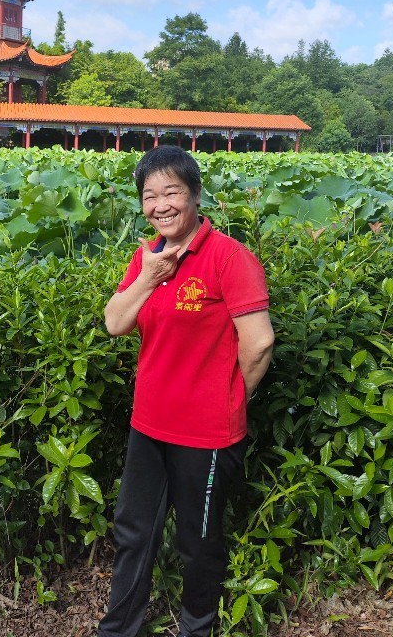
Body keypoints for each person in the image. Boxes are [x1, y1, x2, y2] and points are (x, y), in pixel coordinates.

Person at [98, 145, 274, 637]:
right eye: (149, 196)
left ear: (196, 194)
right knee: (134, 533)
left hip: (206, 432)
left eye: (172, 192)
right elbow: (115, 322)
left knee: (197, 542)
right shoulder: (146, 256)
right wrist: (150, 277)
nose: (161, 205)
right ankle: (118, 629)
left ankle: (196, 629)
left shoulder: (229, 258)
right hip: (148, 423)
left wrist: (230, 397)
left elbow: (258, 344)